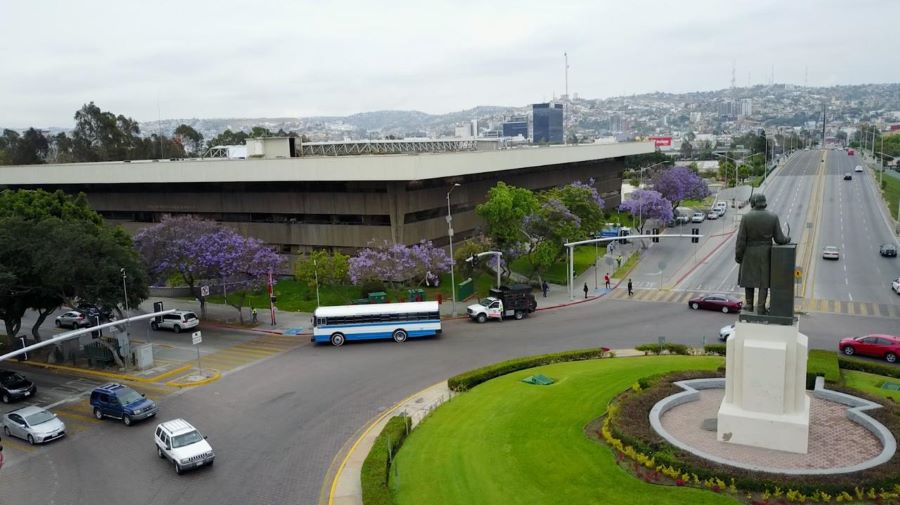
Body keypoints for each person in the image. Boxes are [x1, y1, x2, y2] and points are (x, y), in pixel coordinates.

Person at [735, 193, 790, 315]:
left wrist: (739, 256)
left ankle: (749, 305)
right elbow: (779, 239)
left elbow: (741, 240)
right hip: (766, 252)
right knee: (763, 282)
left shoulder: (746, 218)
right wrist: (788, 239)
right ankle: (761, 307)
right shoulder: (773, 217)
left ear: (753, 202)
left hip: (749, 252)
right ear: (764, 202)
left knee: (749, 279)